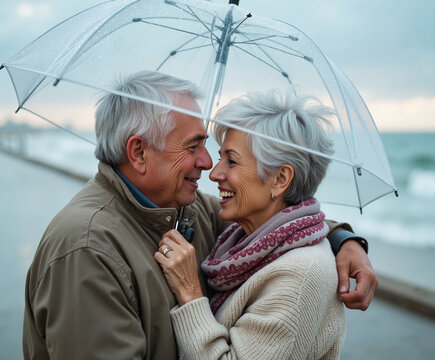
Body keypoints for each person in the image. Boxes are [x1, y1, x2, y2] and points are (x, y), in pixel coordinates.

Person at [22, 71, 377, 359]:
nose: (209, 165)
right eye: (193, 146)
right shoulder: (87, 250)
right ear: (139, 152)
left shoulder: (184, 211)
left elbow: (278, 219)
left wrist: (343, 240)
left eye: (226, 156)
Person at [155, 90, 346, 358]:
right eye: (220, 157)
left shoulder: (300, 276)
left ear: (280, 179)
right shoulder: (247, 239)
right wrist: (345, 239)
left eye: (231, 161)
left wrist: (190, 293)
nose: (215, 173)